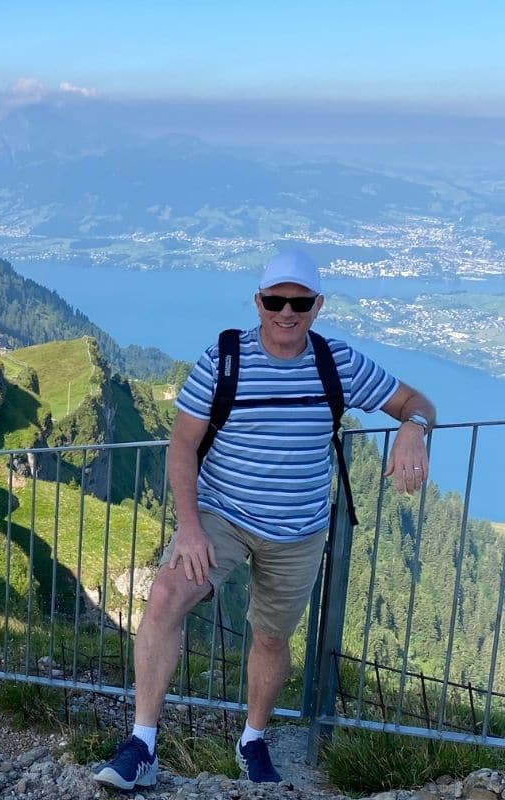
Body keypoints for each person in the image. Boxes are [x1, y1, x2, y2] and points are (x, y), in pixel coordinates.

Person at [94, 250, 436, 789]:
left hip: (297, 532)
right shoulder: (223, 359)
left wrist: (413, 425)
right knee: (164, 597)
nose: (286, 311)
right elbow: (182, 446)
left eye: (299, 301)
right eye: (275, 299)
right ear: (258, 302)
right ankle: (143, 743)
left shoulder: (337, 363)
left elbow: (417, 401)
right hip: (221, 515)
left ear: (317, 306)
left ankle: (253, 740)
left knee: (273, 639)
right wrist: (188, 526)